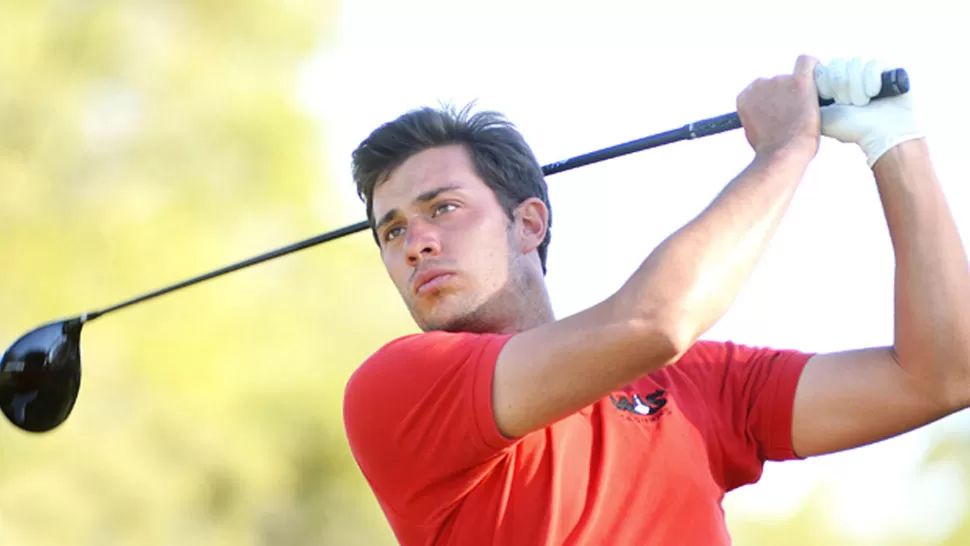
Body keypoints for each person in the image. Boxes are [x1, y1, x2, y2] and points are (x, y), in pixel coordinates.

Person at [341, 54, 970, 545]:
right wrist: (784, 150)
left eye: (443, 208)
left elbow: (940, 376)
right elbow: (658, 318)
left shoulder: (696, 383)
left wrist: (895, 144)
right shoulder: (396, 385)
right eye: (392, 230)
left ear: (529, 223)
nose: (415, 244)